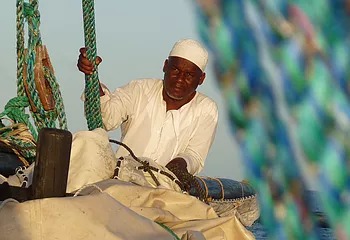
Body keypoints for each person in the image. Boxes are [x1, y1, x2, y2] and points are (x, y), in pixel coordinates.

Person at [77, 39, 218, 190]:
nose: (180, 79)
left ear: (201, 79)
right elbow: (106, 119)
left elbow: (195, 155)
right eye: (175, 70)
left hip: (166, 190)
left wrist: (179, 165)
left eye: (189, 75)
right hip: (119, 181)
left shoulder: (206, 109)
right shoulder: (140, 89)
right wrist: (92, 77)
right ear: (165, 66)